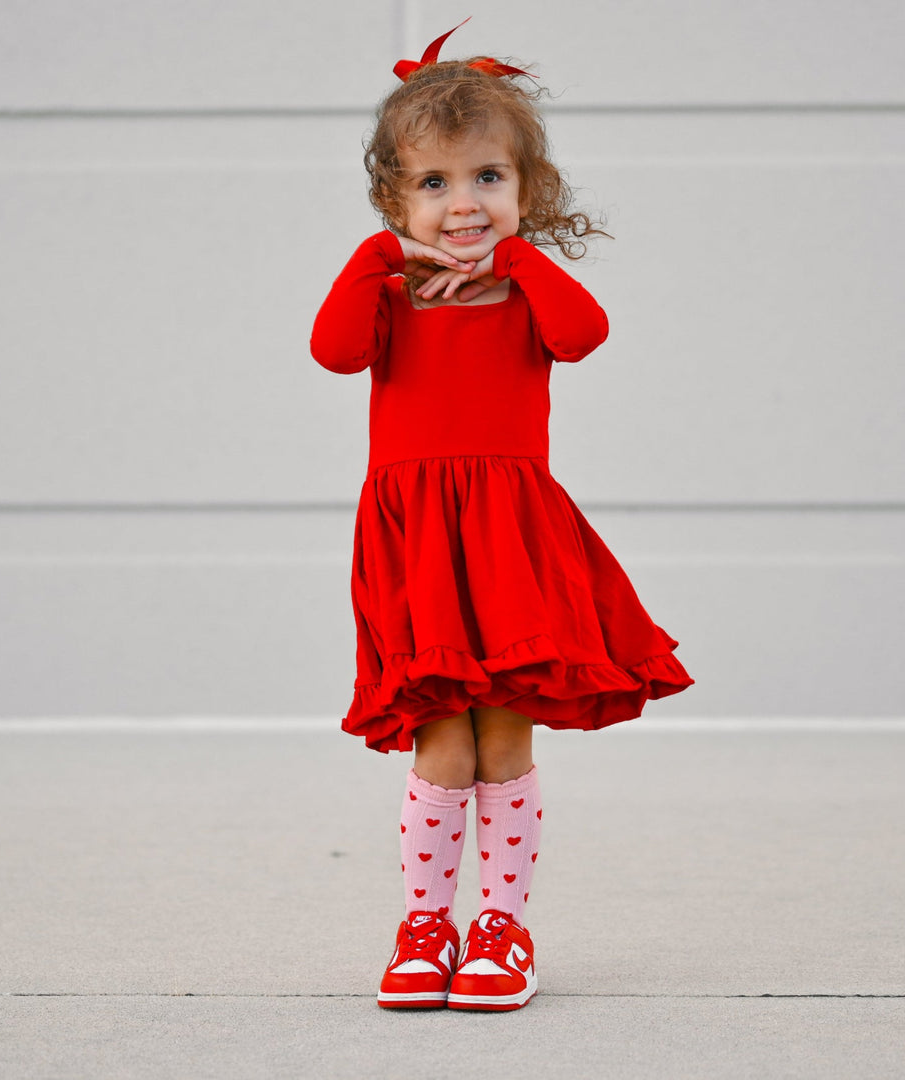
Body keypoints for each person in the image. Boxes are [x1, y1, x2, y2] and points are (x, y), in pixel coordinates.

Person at [310, 19, 693, 1012]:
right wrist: (376, 258)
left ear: (527, 191)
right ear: (395, 200)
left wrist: (519, 263)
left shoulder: (528, 294)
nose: (463, 203)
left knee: (503, 734)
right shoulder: (389, 295)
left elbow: (585, 329)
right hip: (419, 543)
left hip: (507, 537)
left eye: (488, 177)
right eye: (431, 184)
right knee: (441, 736)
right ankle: (425, 926)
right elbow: (334, 351)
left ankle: (502, 931)